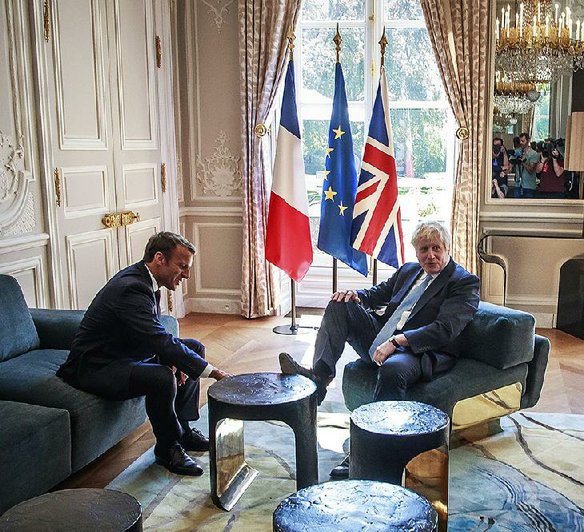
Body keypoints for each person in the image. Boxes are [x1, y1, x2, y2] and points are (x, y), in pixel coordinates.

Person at [279, 221, 480, 477]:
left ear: (447, 248)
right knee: (339, 305)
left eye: (436, 248)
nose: (430, 255)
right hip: (382, 337)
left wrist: (397, 342)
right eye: (424, 249)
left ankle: (368, 449)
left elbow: (445, 329)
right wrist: (355, 295)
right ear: (416, 252)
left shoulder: (462, 282)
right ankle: (319, 380)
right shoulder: (409, 271)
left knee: (393, 370)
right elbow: (376, 294)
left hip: (418, 350)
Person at [57, 232, 230, 476]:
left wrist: (174, 358)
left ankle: (184, 429)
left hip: (127, 353)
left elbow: (150, 333)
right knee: (161, 377)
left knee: (193, 349)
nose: (187, 275)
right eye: (182, 266)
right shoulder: (131, 288)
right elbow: (157, 339)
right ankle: (167, 447)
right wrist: (214, 372)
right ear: (159, 258)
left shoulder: (146, 280)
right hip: (97, 366)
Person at [518, 133, 539, 198]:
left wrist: (523, 162)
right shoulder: (519, 152)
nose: (521, 143)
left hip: (529, 186)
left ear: (528, 141)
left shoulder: (533, 154)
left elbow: (531, 170)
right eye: (520, 141)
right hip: (520, 185)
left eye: (523, 141)